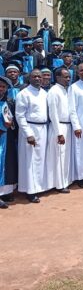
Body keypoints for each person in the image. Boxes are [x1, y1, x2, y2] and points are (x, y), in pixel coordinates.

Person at [15, 69, 49, 203]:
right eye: (34, 76)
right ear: (29, 78)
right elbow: (20, 115)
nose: (37, 79)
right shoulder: (24, 94)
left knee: (40, 159)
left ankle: (39, 186)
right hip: (30, 128)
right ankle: (30, 190)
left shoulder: (44, 93)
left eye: (39, 77)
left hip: (43, 128)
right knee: (29, 161)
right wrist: (28, 133)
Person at [46, 67, 74, 193]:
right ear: (57, 77)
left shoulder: (65, 90)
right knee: (58, 156)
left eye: (69, 77)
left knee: (65, 156)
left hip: (67, 126)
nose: (68, 79)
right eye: (65, 77)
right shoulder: (54, 91)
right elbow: (53, 114)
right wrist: (59, 133)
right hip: (59, 127)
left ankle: (65, 181)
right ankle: (59, 184)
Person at [0, 77, 18, 209]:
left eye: (3, 87)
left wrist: (11, 124)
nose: (1, 89)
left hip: (7, 139)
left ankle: (5, 192)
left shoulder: (10, 103)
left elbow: (14, 121)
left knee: (7, 164)